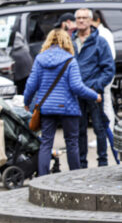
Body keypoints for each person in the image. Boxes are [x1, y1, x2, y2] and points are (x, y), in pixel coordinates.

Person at [23, 29, 102, 176]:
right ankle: (74, 177)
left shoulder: (40, 59)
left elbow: (31, 84)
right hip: (68, 108)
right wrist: (94, 95)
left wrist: (27, 102)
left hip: (46, 108)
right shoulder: (70, 60)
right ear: (67, 41)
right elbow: (77, 86)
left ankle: (43, 178)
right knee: (72, 142)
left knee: (46, 143)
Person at [72, 8, 115, 168]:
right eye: (78, 18)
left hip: (94, 92)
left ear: (91, 20)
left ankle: (102, 163)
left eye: (84, 18)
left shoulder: (100, 41)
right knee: (80, 130)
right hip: (77, 93)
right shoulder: (71, 41)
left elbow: (109, 69)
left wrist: (96, 86)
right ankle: (82, 164)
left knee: (99, 128)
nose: (81, 21)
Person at [93, 10, 117, 130]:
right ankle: (106, 132)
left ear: (97, 20)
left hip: (104, 73)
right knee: (104, 103)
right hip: (102, 72)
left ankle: (108, 132)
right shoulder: (102, 32)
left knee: (105, 103)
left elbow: (110, 56)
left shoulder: (103, 34)